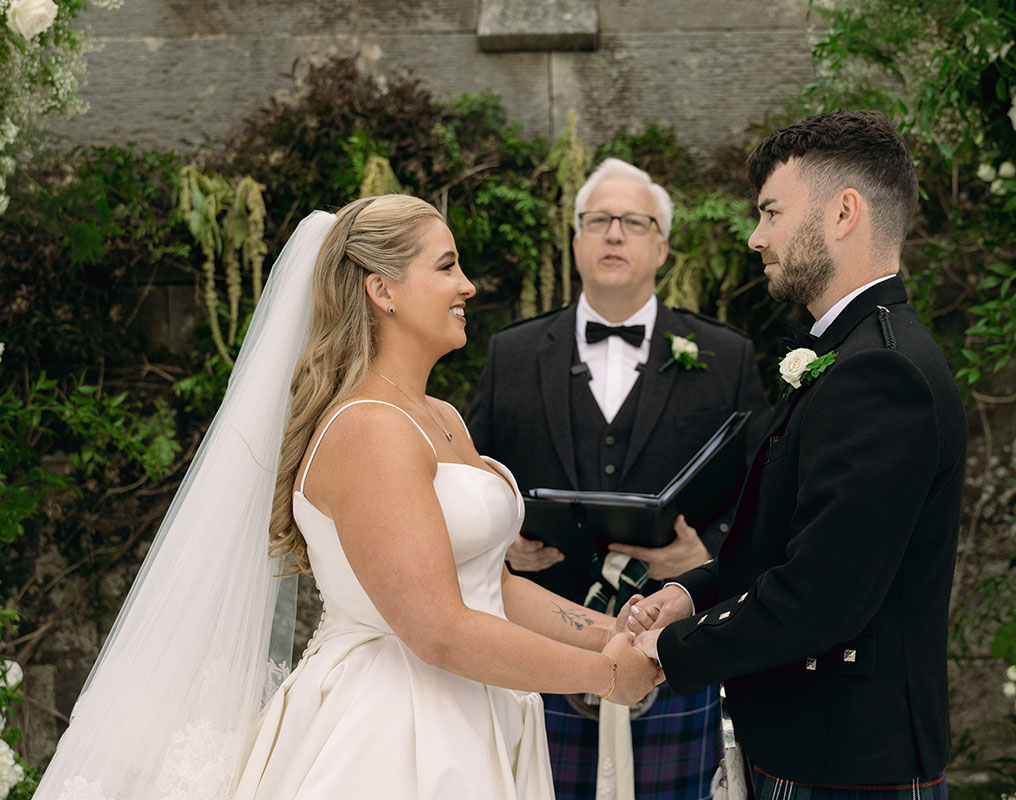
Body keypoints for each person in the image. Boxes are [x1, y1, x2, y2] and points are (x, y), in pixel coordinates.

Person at [32, 195, 660, 800]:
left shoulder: (440, 416)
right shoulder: (368, 428)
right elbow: (437, 630)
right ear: (381, 289)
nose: (468, 286)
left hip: (475, 707)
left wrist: (618, 632)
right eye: (446, 267)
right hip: (397, 731)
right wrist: (603, 675)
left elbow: (489, 587)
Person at [628, 110, 968, 799]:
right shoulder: (854, 354)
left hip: (846, 763)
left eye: (772, 213)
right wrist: (690, 594)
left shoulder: (883, 374)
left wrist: (671, 651)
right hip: (814, 746)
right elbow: (793, 547)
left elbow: (822, 597)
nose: (757, 238)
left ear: (844, 212)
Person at [468, 158, 768, 800]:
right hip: (537, 649)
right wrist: (504, 541)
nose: (613, 234)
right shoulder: (513, 353)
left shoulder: (725, 354)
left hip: (672, 650)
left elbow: (763, 491)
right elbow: (469, 481)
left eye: (633, 222)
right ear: (575, 240)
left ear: (661, 245)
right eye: (598, 220)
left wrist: (709, 551)